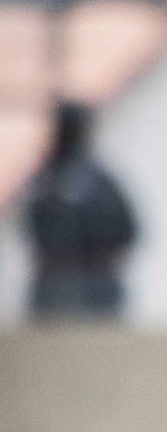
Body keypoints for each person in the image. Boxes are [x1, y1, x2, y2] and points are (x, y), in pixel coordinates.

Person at [24, 102, 137, 321]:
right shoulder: (45, 181)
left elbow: (128, 229)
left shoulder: (99, 182)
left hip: (96, 284)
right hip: (53, 284)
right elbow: (32, 227)